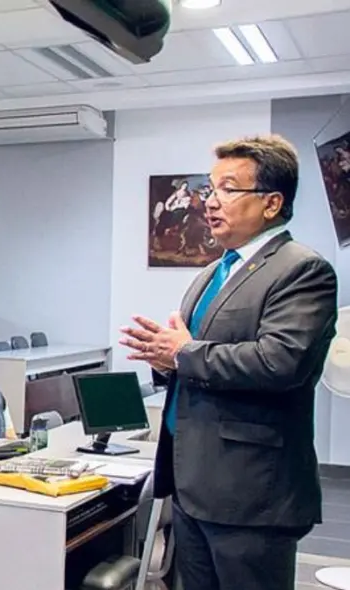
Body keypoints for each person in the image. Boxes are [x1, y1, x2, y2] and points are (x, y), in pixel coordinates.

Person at [119, 135, 338, 590]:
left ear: (272, 203)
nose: (210, 200)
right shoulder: (213, 271)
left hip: (249, 493)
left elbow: (282, 362)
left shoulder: (301, 269)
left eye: (228, 189)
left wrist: (181, 353)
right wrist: (165, 359)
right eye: (210, 187)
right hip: (192, 482)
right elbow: (194, 357)